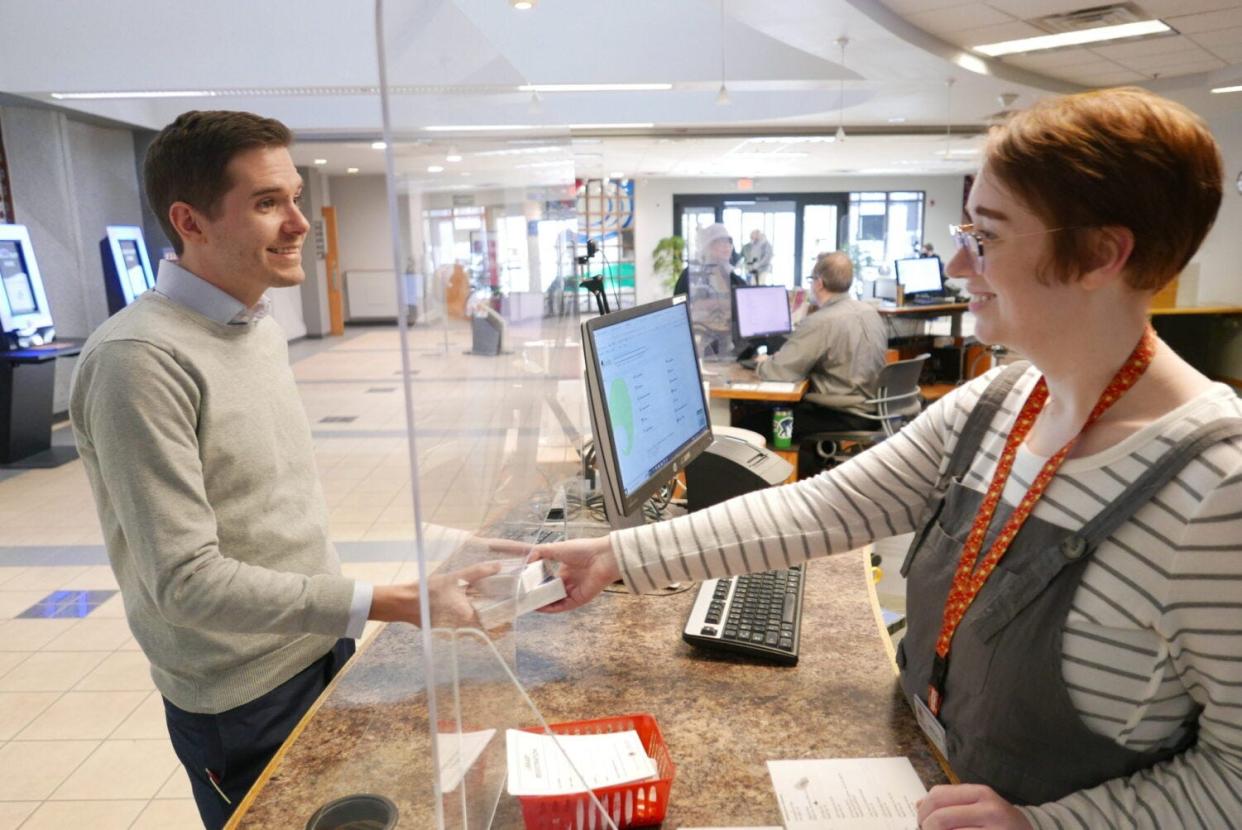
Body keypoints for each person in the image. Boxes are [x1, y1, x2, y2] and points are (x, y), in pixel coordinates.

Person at [534, 87, 1241, 829]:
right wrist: (616, 556)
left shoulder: (1218, 491)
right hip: (919, 769)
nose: (960, 263)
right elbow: (825, 506)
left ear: (1100, 254)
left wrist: (1048, 826)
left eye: (989, 237)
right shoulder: (998, 402)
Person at [69, 110, 498, 829]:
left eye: (295, 197)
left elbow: (264, 507)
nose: (300, 222)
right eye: (269, 203)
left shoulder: (254, 324)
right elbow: (185, 581)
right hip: (242, 698)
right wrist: (389, 601)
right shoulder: (138, 362)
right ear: (191, 221)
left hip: (322, 649)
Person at [738, 251, 889, 476]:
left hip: (843, 413)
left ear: (819, 282)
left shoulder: (822, 321)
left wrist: (761, 364)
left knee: (747, 425)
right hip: (875, 409)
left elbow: (779, 371)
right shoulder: (870, 312)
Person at [673, 222, 746, 296]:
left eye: (729, 242)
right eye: (721, 242)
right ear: (708, 246)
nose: (727, 246)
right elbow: (679, 303)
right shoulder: (690, 275)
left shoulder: (735, 279)